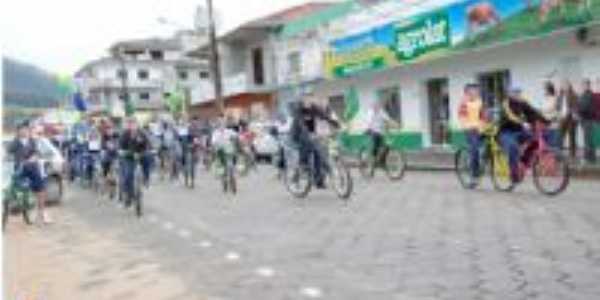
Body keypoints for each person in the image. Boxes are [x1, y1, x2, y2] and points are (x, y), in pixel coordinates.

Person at [499, 87, 549, 184]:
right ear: (509, 94)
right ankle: (513, 174)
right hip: (506, 132)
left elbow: (534, 112)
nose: (518, 94)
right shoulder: (506, 103)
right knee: (513, 147)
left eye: (519, 92)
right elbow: (510, 116)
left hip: (519, 131)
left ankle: (523, 162)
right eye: (515, 92)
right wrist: (522, 123)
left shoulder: (523, 102)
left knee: (535, 140)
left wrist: (547, 121)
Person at [289, 95, 339, 188]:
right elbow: (300, 123)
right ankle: (295, 177)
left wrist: (335, 123)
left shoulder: (314, 108)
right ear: (303, 100)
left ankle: (319, 181)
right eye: (307, 100)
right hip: (299, 134)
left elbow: (324, 116)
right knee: (303, 160)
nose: (309, 102)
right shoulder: (298, 109)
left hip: (311, 134)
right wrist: (308, 132)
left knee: (318, 155)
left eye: (311, 100)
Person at [8, 121, 51, 224]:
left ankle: (42, 212)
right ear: (18, 131)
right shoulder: (14, 142)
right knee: (14, 187)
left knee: (41, 188)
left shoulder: (32, 141)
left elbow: (36, 153)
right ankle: (16, 205)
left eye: (25, 129)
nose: (24, 131)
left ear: (28, 130)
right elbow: (7, 153)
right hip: (20, 169)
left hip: (32, 168)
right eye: (21, 129)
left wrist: (32, 158)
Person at [119, 118, 150, 206]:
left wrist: (150, 149)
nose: (132, 126)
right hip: (128, 156)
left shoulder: (142, 133)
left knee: (148, 159)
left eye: (134, 124)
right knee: (128, 175)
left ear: (137, 124)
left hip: (140, 154)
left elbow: (148, 143)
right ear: (128, 125)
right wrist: (122, 151)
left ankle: (146, 178)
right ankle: (128, 195)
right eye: (130, 124)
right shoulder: (125, 134)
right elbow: (120, 146)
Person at [458, 84, 486, 182]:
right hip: (470, 129)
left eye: (477, 90)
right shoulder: (464, 103)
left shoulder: (480, 102)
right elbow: (462, 116)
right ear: (467, 92)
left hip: (480, 129)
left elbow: (483, 116)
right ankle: (474, 175)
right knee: (474, 149)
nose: (476, 92)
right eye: (473, 90)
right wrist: (467, 126)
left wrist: (483, 125)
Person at [558, 80, 579, 159]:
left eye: (566, 85)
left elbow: (576, 106)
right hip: (562, 119)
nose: (564, 87)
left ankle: (572, 154)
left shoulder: (574, 95)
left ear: (569, 86)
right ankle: (559, 153)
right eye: (563, 85)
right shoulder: (560, 95)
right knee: (560, 136)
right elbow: (558, 106)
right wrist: (558, 113)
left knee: (572, 137)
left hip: (571, 119)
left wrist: (571, 111)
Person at [579, 79, 597, 164]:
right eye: (582, 85)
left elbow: (585, 107)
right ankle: (591, 158)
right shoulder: (583, 95)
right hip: (585, 119)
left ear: (588, 85)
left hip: (588, 120)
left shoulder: (589, 95)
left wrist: (578, 111)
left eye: (584, 85)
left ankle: (588, 158)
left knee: (588, 140)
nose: (582, 86)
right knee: (589, 139)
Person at [541, 81, 561, 149]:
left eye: (545, 89)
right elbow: (544, 109)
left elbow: (550, 108)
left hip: (553, 123)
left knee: (553, 143)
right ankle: (549, 157)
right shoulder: (544, 99)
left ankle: (555, 157)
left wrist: (542, 110)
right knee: (547, 143)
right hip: (546, 124)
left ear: (549, 90)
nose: (544, 91)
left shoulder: (554, 98)